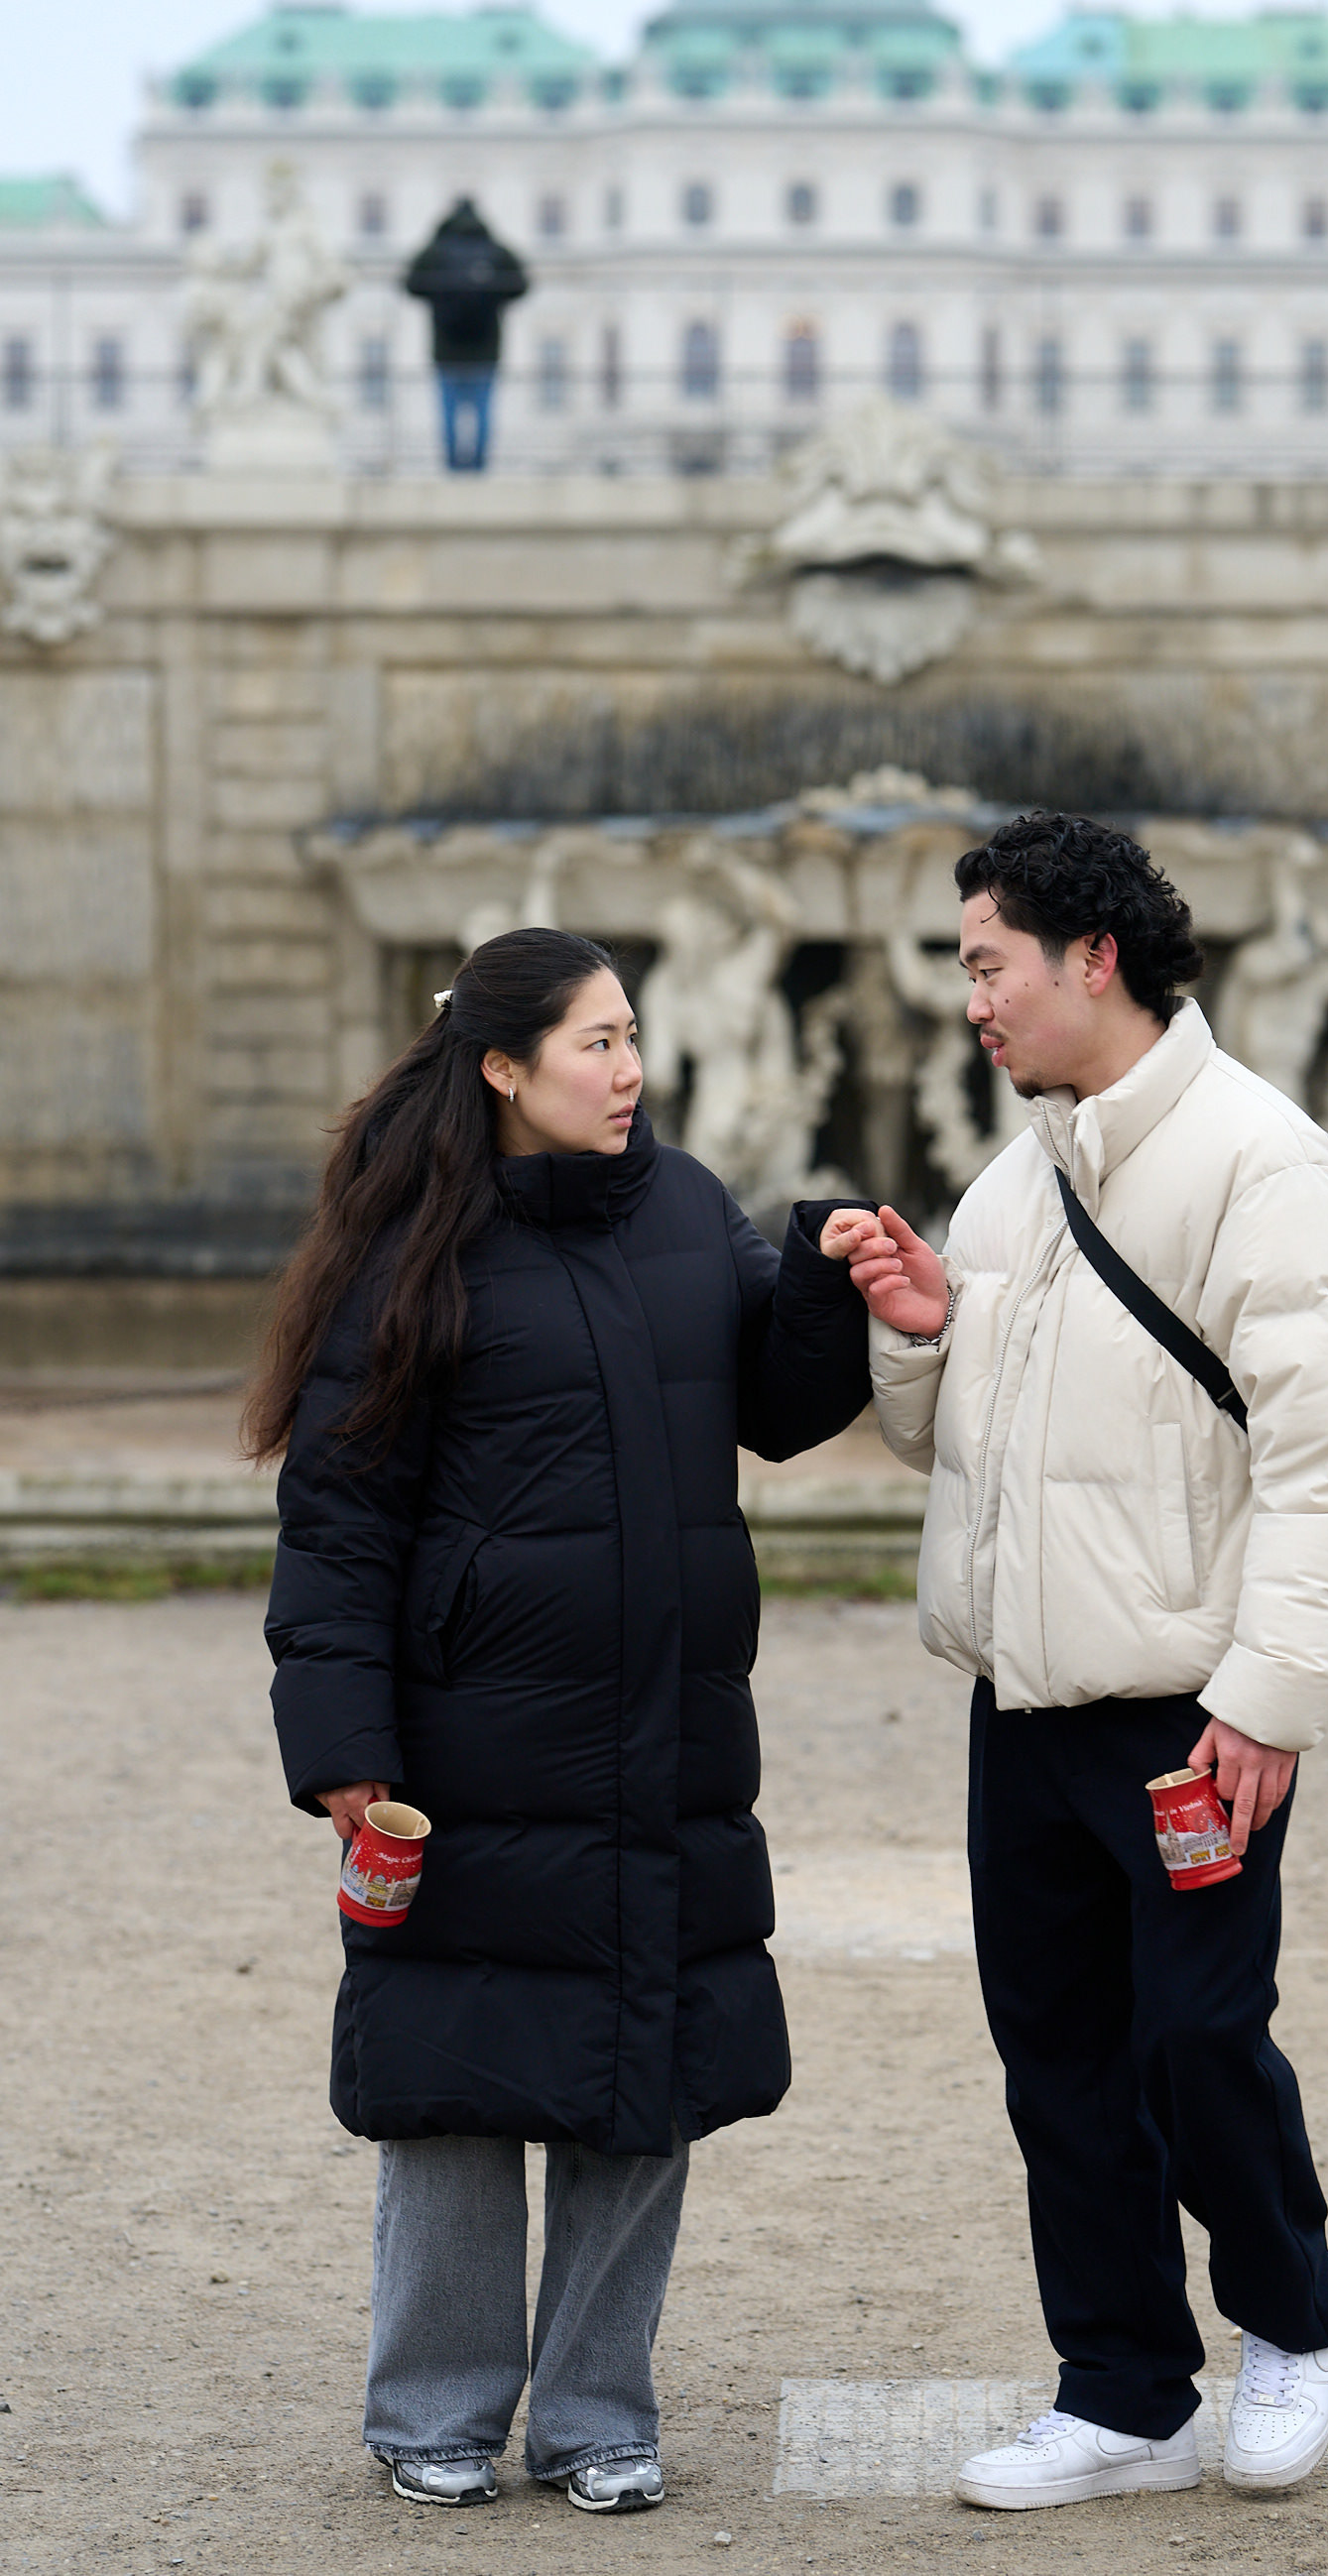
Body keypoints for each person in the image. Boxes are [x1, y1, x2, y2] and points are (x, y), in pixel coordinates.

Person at [245, 928, 872, 2514]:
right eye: (593, 1042)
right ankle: (434, 2409)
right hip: (467, 1744)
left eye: (632, 1034)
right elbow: (337, 1522)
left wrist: (823, 1271)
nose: (628, 1068)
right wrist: (343, 1746)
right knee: (455, 2074)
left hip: (666, 1728)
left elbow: (781, 1407)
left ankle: (599, 2412)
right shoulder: (406, 1246)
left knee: (640, 2069)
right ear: (503, 1069)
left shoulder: (679, 1202)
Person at [821, 812, 1328, 2510]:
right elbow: (957, 1454)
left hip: (1187, 1709)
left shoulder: (1261, 1160)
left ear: (1092, 958)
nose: (968, 1001)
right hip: (1024, 1701)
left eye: (984, 961)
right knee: (1058, 2051)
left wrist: (1266, 1703)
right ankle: (1122, 2390)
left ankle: (1289, 2324)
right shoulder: (1015, 1177)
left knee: (1197, 2041)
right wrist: (922, 1331)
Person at [402, 198, 528, 471]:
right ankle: (478, 466)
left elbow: (410, 283)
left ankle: (453, 466)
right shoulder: (493, 250)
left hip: (446, 348)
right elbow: (522, 283)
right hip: (486, 347)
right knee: (482, 411)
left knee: (449, 412)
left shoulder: (438, 251)